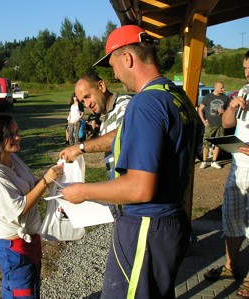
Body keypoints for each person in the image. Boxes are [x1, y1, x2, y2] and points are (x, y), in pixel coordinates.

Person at [61, 25, 197, 299]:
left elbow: (139, 188)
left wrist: (82, 191)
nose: (114, 74)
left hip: (145, 224)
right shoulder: (178, 97)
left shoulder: (144, 104)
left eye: (113, 65)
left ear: (127, 58)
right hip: (171, 221)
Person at [0, 114, 64, 299]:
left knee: (31, 290)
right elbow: (19, 208)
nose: (18, 137)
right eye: (11, 134)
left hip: (30, 242)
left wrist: (57, 175)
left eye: (17, 132)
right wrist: (47, 181)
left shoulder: (13, 159)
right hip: (14, 248)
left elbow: (33, 184)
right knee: (21, 294)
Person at [204, 50, 249, 298]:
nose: (247, 73)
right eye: (245, 68)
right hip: (238, 165)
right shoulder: (243, 91)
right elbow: (229, 123)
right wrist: (231, 106)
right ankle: (231, 267)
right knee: (231, 218)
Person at [59, 73, 131, 179]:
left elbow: (122, 136)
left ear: (101, 86)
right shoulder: (104, 118)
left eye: (87, 96)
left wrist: (80, 148)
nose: (87, 105)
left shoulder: (125, 105)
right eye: (83, 102)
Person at [197, 81, 229, 169]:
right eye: (221, 88)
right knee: (206, 142)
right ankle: (204, 161)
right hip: (210, 125)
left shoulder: (225, 98)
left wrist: (224, 112)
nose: (223, 89)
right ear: (216, 87)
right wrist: (204, 121)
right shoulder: (208, 97)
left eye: (223, 87)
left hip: (221, 125)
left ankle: (214, 161)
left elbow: (230, 112)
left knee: (218, 143)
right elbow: (200, 109)